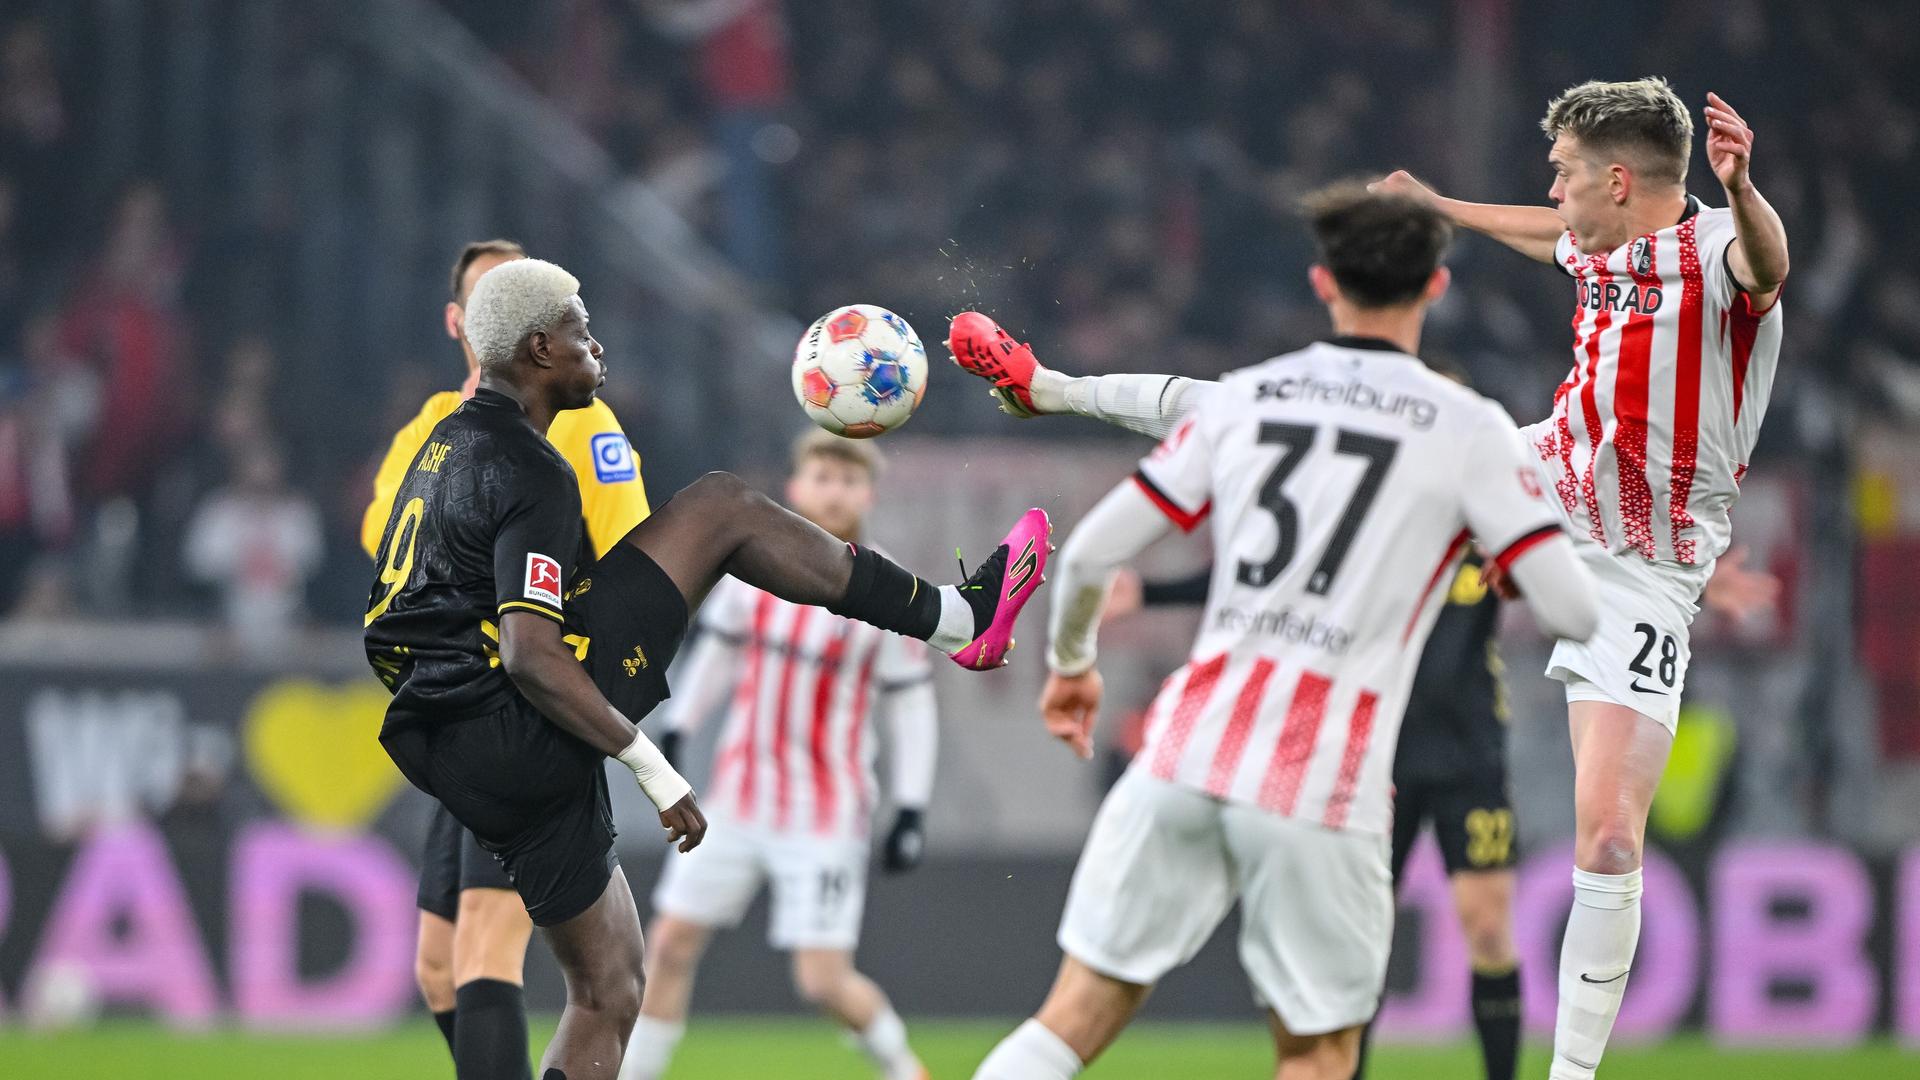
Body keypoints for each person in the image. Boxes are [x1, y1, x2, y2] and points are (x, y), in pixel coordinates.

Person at [951, 79, 1788, 1080]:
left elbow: (1766, 261)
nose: (1553, 192)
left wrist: (1742, 189)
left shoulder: (1714, 253)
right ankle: (1054, 387)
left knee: (1608, 840)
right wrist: (1442, 208)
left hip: (1649, 567)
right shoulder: (1599, 245)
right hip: (1546, 478)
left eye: (1564, 175)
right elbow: (1546, 234)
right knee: (1292, 426)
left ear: (1619, 179)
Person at [967, 187, 1599, 1080]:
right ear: (1435, 288)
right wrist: (1516, 549)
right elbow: (1572, 612)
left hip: (1186, 753)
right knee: (1320, 1054)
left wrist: (1071, 666)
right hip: (1322, 784)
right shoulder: (1468, 431)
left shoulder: (1252, 399)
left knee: (1070, 1019)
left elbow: (1091, 552)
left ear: (1321, 282)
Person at [366, 257, 1048, 1080]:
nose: (598, 347)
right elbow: (530, 652)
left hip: (449, 744)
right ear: (541, 349)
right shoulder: (530, 468)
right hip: (514, 716)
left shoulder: (440, 444)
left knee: (611, 987)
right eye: (582, 331)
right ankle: (957, 620)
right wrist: (654, 770)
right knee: (722, 506)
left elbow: (398, 619)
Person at [1106, 540, 1779, 1080]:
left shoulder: (1489, 518)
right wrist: (1151, 591)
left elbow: (1585, 551)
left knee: (1488, 931)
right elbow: (1272, 567)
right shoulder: (1386, 521)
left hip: (1470, 756)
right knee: (1363, 941)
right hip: (1381, 755)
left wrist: (1683, 586)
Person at [362, 239, 654, 1080]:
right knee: (436, 963)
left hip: (520, 702)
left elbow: (626, 545)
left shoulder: (578, 423)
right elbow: (387, 543)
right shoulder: (435, 428)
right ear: (464, 320)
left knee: (491, 945)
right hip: (459, 697)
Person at [621, 430, 933, 1080]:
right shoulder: (753, 573)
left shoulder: (888, 592)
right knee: (671, 943)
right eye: (822, 475)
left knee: (821, 981)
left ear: (868, 493)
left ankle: (903, 1068)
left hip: (824, 811)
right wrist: (680, 727)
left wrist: (910, 806)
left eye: (848, 480)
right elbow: (719, 655)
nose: (834, 489)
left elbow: (910, 703)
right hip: (738, 798)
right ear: (795, 486)